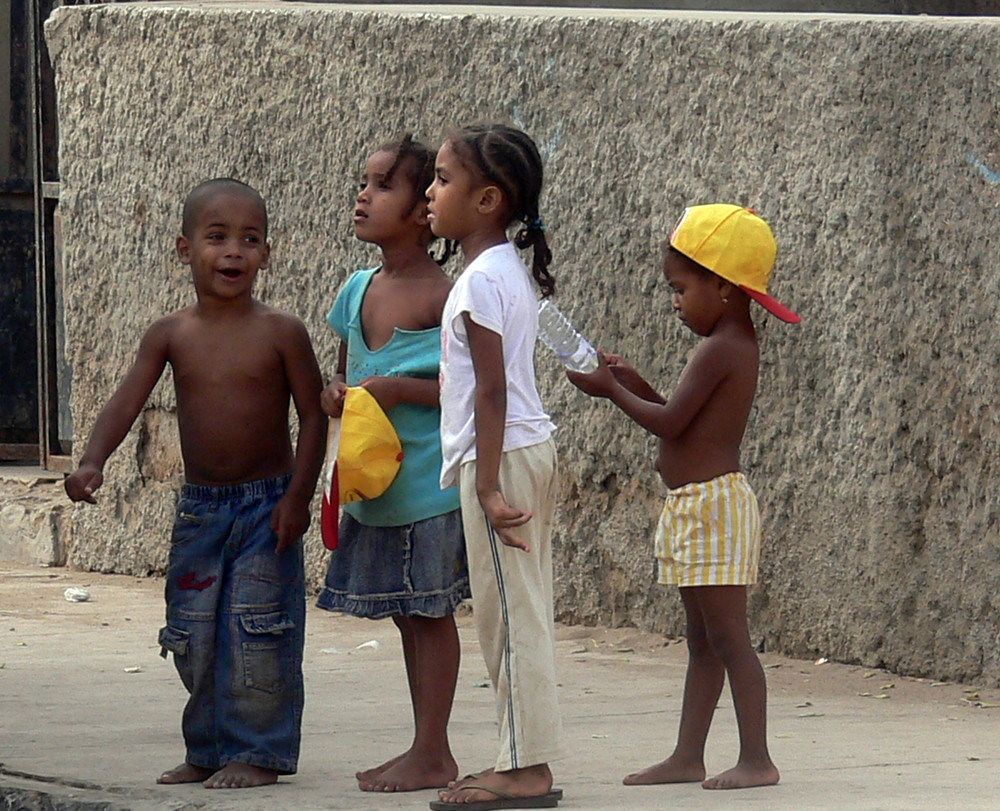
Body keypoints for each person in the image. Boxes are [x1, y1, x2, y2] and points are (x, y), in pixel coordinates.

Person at [64, 178, 326, 790]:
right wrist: (92, 460)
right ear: (185, 250)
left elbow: (314, 416)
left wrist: (298, 498)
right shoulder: (170, 334)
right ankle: (206, 748)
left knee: (258, 628)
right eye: (217, 238)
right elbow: (127, 400)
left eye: (250, 239)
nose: (233, 251)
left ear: (267, 253)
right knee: (195, 628)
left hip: (268, 504)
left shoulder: (282, 331)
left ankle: (258, 752)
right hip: (202, 512)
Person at [567, 204, 799, 791]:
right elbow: (683, 415)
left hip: (714, 510)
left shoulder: (722, 347)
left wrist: (610, 391)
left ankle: (757, 759)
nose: (674, 301)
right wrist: (630, 381)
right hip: (697, 508)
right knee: (703, 641)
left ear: (722, 286)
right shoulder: (727, 341)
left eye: (680, 288)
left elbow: (670, 424)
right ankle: (687, 756)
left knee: (729, 640)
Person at [317, 134, 470, 793]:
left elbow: (466, 389)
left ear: (419, 212)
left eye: (383, 185)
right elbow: (351, 377)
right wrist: (335, 395)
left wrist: (399, 390)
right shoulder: (357, 291)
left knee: (430, 616)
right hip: (376, 487)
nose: (363, 193)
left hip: (427, 489)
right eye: (364, 180)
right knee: (409, 615)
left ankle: (434, 750)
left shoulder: (444, 295)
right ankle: (422, 745)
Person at [426, 124, 563, 810]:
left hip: (501, 457)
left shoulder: (482, 280)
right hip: (519, 450)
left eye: (443, 179)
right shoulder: (503, 270)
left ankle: (523, 767)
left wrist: (482, 482)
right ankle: (522, 756)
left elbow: (490, 387)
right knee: (520, 611)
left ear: (487, 199)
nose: (429, 191)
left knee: (509, 618)